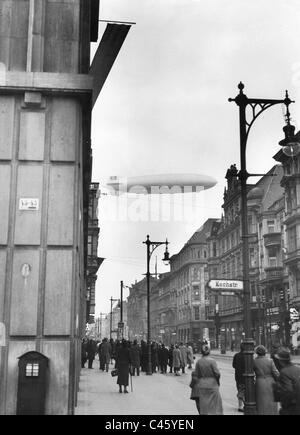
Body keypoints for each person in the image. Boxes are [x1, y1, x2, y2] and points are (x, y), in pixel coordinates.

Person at [194, 344, 223, 415]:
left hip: (202, 384)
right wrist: (217, 381)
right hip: (212, 384)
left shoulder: (199, 362)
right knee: (215, 405)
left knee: (204, 405)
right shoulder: (212, 361)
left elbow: (196, 374)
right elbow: (217, 373)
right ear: (209, 351)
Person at [273, 347, 300, 415]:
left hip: (291, 406)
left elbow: (288, 391)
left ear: (281, 361)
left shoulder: (284, 372)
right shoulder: (297, 368)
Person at [253, 345, 279, 415]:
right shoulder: (270, 361)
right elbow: (276, 373)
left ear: (257, 352)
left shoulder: (254, 361)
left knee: (261, 402)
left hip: (260, 382)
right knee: (271, 401)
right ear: (265, 352)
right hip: (271, 382)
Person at [232, 342, 245, 412]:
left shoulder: (236, 355)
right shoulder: (248, 356)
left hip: (238, 376)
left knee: (240, 389)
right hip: (246, 377)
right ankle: (242, 405)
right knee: (245, 391)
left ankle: (240, 405)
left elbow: (233, 365)